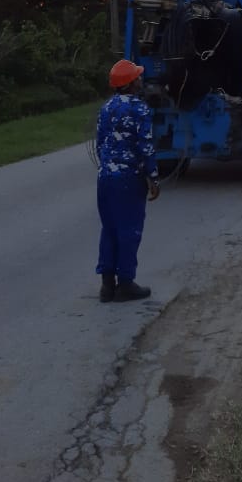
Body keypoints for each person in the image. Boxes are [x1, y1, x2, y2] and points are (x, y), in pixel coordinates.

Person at [96, 59, 160, 302]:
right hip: (128, 179)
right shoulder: (138, 108)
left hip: (105, 178)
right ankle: (125, 284)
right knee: (129, 229)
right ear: (131, 83)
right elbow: (145, 146)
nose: (141, 80)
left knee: (109, 228)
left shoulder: (106, 107)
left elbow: (101, 143)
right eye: (138, 77)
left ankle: (106, 285)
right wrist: (153, 178)